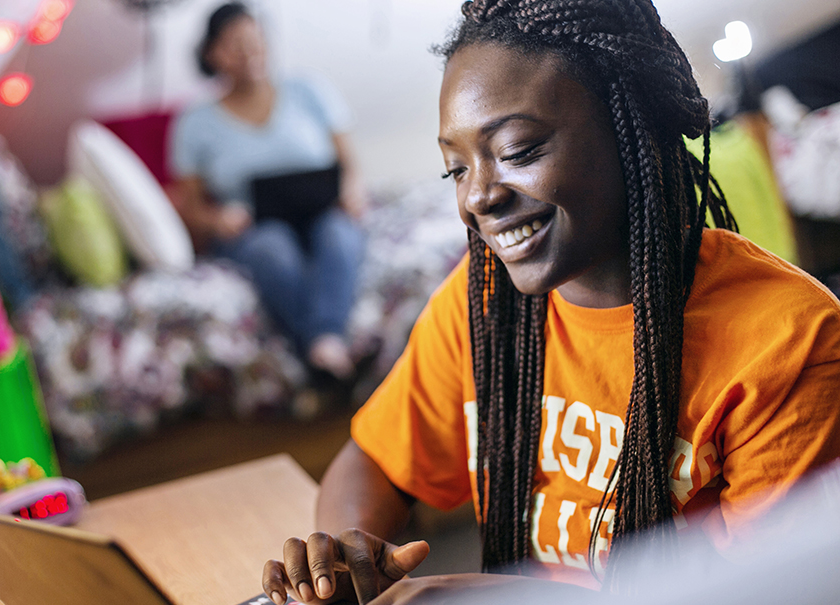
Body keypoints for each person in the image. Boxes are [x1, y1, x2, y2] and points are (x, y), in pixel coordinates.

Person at [259, 0, 840, 603]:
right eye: (455, 169)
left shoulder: (789, 342)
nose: (479, 197)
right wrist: (346, 559)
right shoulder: (484, 306)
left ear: (629, 128)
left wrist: (468, 596)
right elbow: (373, 459)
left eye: (517, 150)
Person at [170, 2, 366, 381]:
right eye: (234, 44)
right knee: (272, 249)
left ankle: (321, 345)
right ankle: (325, 347)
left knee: (340, 235)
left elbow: (350, 166)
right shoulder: (194, 122)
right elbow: (189, 206)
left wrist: (352, 193)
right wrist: (218, 219)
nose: (248, 51)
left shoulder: (308, 90)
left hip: (323, 209)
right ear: (211, 54)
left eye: (254, 39)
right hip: (253, 227)